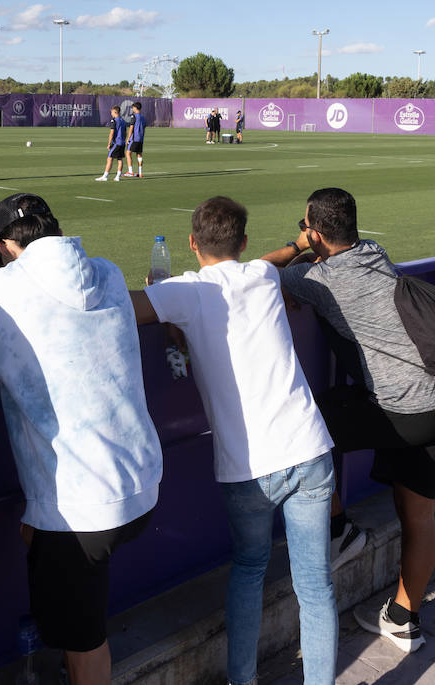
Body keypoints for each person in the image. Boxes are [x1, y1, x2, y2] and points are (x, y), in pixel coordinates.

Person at [0, 194, 161, 685]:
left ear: (3, 245)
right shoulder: (105, 270)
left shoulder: (1, 292)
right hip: (143, 481)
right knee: (45, 552)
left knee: (84, 641)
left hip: (81, 509)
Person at [131, 197, 337, 685]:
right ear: (242, 243)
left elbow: (123, 307)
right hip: (309, 448)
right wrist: (296, 245)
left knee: (249, 570)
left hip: (248, 467)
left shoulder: (184, 291)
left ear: (191, 243)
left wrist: (161, 301)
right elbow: (268, 264)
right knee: (315, 585)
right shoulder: (260, 277)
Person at [261, 188, 435, 654]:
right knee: (419, 515)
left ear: (314, 232)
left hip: (404, 409)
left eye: (305, 226)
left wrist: (296, 248)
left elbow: (252, 274)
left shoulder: (320, 280)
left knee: (307, 426)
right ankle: (403, 618)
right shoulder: (375, 252)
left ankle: (339, 531)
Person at [95, 106, 125, 182]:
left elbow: (111, 133)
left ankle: (105, 176)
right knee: (120, 159)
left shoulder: (114, 121)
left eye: (111, 112)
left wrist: (109, 144)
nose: (111, 114)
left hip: (116, 143)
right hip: (122, 143)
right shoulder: (123, 121)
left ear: (115, 112)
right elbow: (125, 132)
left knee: (109, 159)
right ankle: (118, 176)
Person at [124, 102, 147, 178]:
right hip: (140, 139)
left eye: (133, 107)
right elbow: (143, 127)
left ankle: (130, 171)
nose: (132, 109)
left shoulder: (133, 116)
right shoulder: (143, 117)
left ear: (135, 108)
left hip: (134, 138)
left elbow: (131, 127)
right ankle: (140, 173)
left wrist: (128, 138)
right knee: (139, 155)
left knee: (128, 153)